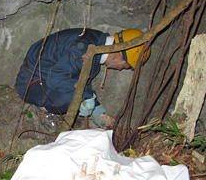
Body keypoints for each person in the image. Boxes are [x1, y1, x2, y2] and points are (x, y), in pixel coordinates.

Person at [15, 28, 150, 127]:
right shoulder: (84, 50)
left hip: (46, 77)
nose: (122, 69)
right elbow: (56, 79)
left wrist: (96, 107)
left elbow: (79, 78)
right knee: (68, 98)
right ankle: (42, 107)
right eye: (126, 66)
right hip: (31, 82)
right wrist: (87, 96)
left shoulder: (96, 46)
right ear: (118, 57)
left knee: (77, 94)